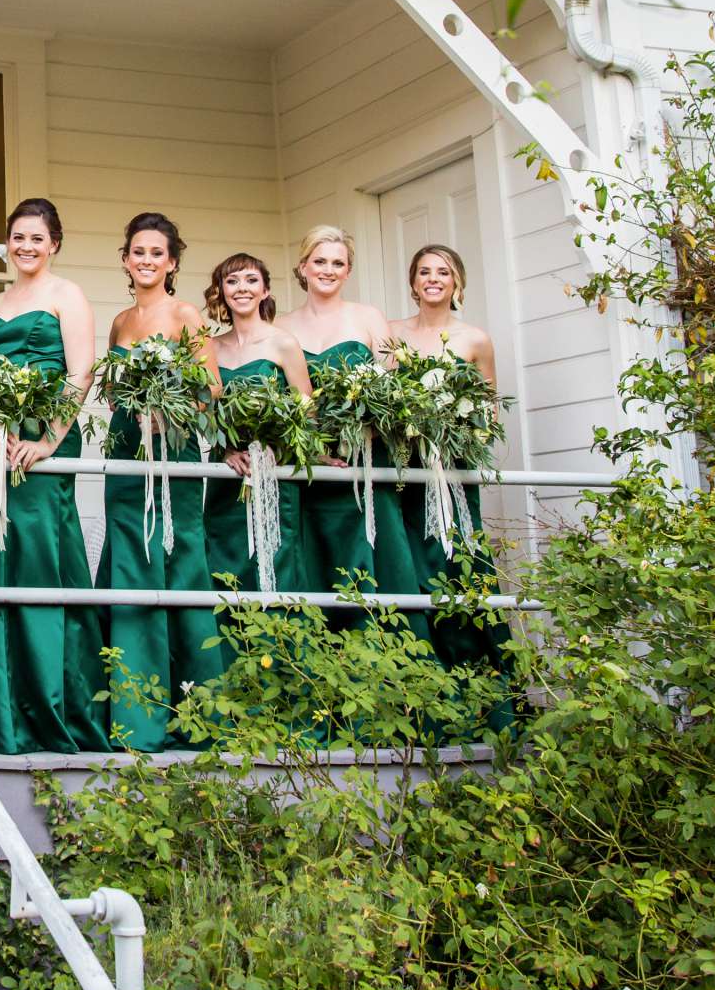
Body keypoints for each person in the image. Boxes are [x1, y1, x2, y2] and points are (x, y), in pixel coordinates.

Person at [0, 198, 106, 753]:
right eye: (17, 238)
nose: (26, 247)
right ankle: (6, 712)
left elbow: (81, 372)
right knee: (3, 563)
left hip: (44, 448)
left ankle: (53, 706)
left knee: (42, 560)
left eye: (36, 238)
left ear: (54, 243)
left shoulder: (66, 295)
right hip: (0, 448)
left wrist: (47, 438)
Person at [183, 253, 319, 715]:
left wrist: (278, 449)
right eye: (231, 280)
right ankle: (231, 695)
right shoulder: (211, 348)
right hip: (227, 481)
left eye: (250, 280)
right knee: (225, 573)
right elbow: (202, 413)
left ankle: (284, 692)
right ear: (220, 291)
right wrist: (223, 449)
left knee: (277, 571)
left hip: (274, 482)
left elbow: (306, 411)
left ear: (265, 290)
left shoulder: (283, 344)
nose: (241, 287)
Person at [275, 225, 426, 633]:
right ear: (303, 267)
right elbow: (281, 400)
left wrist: (371, 426)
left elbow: (397, 390)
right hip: (309, 465)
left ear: (348, 271)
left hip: (364, 458)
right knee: (315, 555)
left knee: (371, 550)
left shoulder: (368, 317)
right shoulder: (282, 325)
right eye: (319, 261)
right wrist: (309, 443)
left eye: (337, 263)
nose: (328, 270)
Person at [96, 212, 208, 752]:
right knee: (129, 563)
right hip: (125, 449)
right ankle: (132, 713)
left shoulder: (186, 314)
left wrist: (170, 408)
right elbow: (111, 392)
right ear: (125, 259)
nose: (146, 260)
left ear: (172, 261)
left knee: (175, 559)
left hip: (171, 450)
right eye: (137, 251)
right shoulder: (119, 322)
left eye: (156, 252)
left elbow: (209, 390)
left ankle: (193, 710)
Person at [388, 243, 512, 677]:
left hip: (453, 466)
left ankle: (479, 667)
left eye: (443, 272)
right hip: (404, 467)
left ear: (457, 281)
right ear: (413, 282)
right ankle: (425, 666)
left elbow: (489, 406)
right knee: (410, 560)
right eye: (424, 272)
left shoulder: (474, 339)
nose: (433, 279)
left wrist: (455, 429)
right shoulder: (392, 334)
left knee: (457, 558)